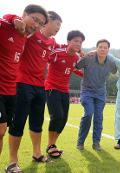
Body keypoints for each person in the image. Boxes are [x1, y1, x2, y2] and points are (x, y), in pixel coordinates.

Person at [6, 11, 62, 171]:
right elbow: (13, 20)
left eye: (60, 25)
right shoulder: (31, 33)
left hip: (40, 87)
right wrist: (15, 18)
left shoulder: (52, 42)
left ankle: (37, 153)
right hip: (22, 84)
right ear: (48, 21)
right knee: (18, 123)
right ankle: (12, 161)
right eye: (57, 23)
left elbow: (63, 49)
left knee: (37, 123)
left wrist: (79, 51)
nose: (58, 28)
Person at [0, 4, 48, 172]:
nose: (36, 25)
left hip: (11, 90)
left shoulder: (26, 38)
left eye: (40, 23)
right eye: (34, 19)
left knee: (3, 130)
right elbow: (5, 20)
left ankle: (12, 163)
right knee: (4, 128)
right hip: (12, 87)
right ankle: (12, 162)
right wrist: (12, 18)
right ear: (24, 14)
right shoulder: (6, 26)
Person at [45, 30, 84, 158]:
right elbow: (44, 58)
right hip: (51, 88)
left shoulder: (76, 58)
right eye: (75, 41)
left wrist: (89, 75)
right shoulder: (58, 53)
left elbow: (75, 69)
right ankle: (50, 145)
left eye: (80, 42)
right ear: (68, 41)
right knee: (57, 116)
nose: (78, 44)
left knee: (64, 119)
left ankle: (52, 144)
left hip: (64, 90)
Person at [76, 39, 117, 151]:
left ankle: (96, 143)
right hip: (87, 91)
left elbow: (116, 70)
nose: (103, 49)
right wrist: (83, 55)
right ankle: (80, 142)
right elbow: (77, 65)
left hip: (100, 93)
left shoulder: (111, 62)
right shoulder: (88, 58)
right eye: (100, 47)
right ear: (96, 48)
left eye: (105, 47)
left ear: (108, 49)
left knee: (99, 117)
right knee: (88, 114)